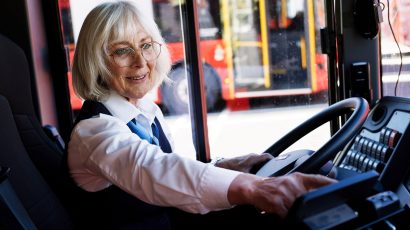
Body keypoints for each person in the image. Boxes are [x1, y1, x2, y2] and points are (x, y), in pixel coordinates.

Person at [66, 1, 336, 229]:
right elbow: (153, 171)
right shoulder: (95, 132)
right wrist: (257, 188)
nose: (141, 61)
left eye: (146, 45)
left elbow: (169, 168)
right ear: (97, 61)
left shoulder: (145, 111)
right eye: (122, 51)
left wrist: (223, 167)